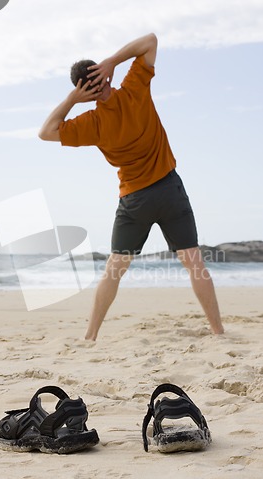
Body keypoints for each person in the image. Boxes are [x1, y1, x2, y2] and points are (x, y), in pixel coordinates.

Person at [39, 33, 224, 340]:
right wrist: (113, 61)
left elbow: (46, 132)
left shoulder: (93, 124)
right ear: (104, 75)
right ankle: (217, 331)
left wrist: (73, 99)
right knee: (194, 262)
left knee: (114, 269)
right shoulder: (134, 88)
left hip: (135, 199)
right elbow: (150, 40)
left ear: (85, 90)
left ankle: (91, 335)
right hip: (169, 188)